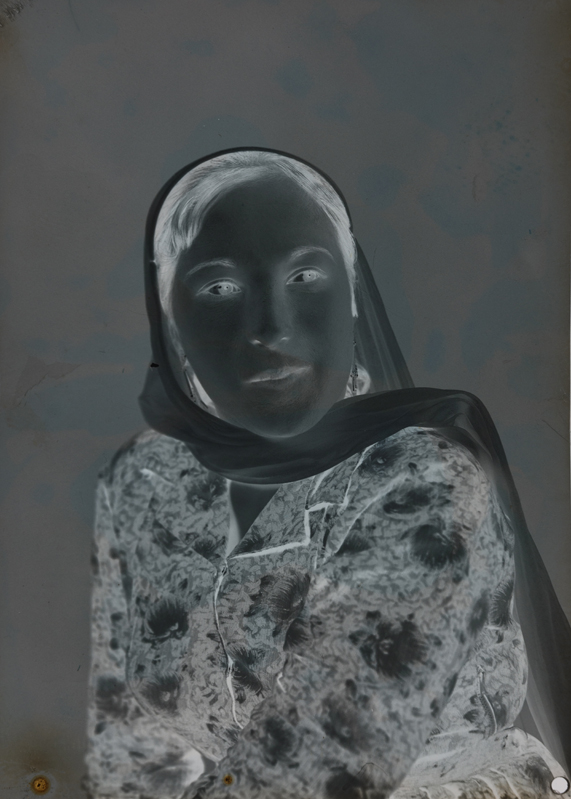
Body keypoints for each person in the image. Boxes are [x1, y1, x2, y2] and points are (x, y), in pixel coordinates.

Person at [85, 149, 571, 799]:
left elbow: (323, 757)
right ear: (170, 321)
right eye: (220, 288)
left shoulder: (425, 476)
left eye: (304, 276)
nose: (270, 326)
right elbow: (128, 747)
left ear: (350, 297)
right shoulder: (144, 482)